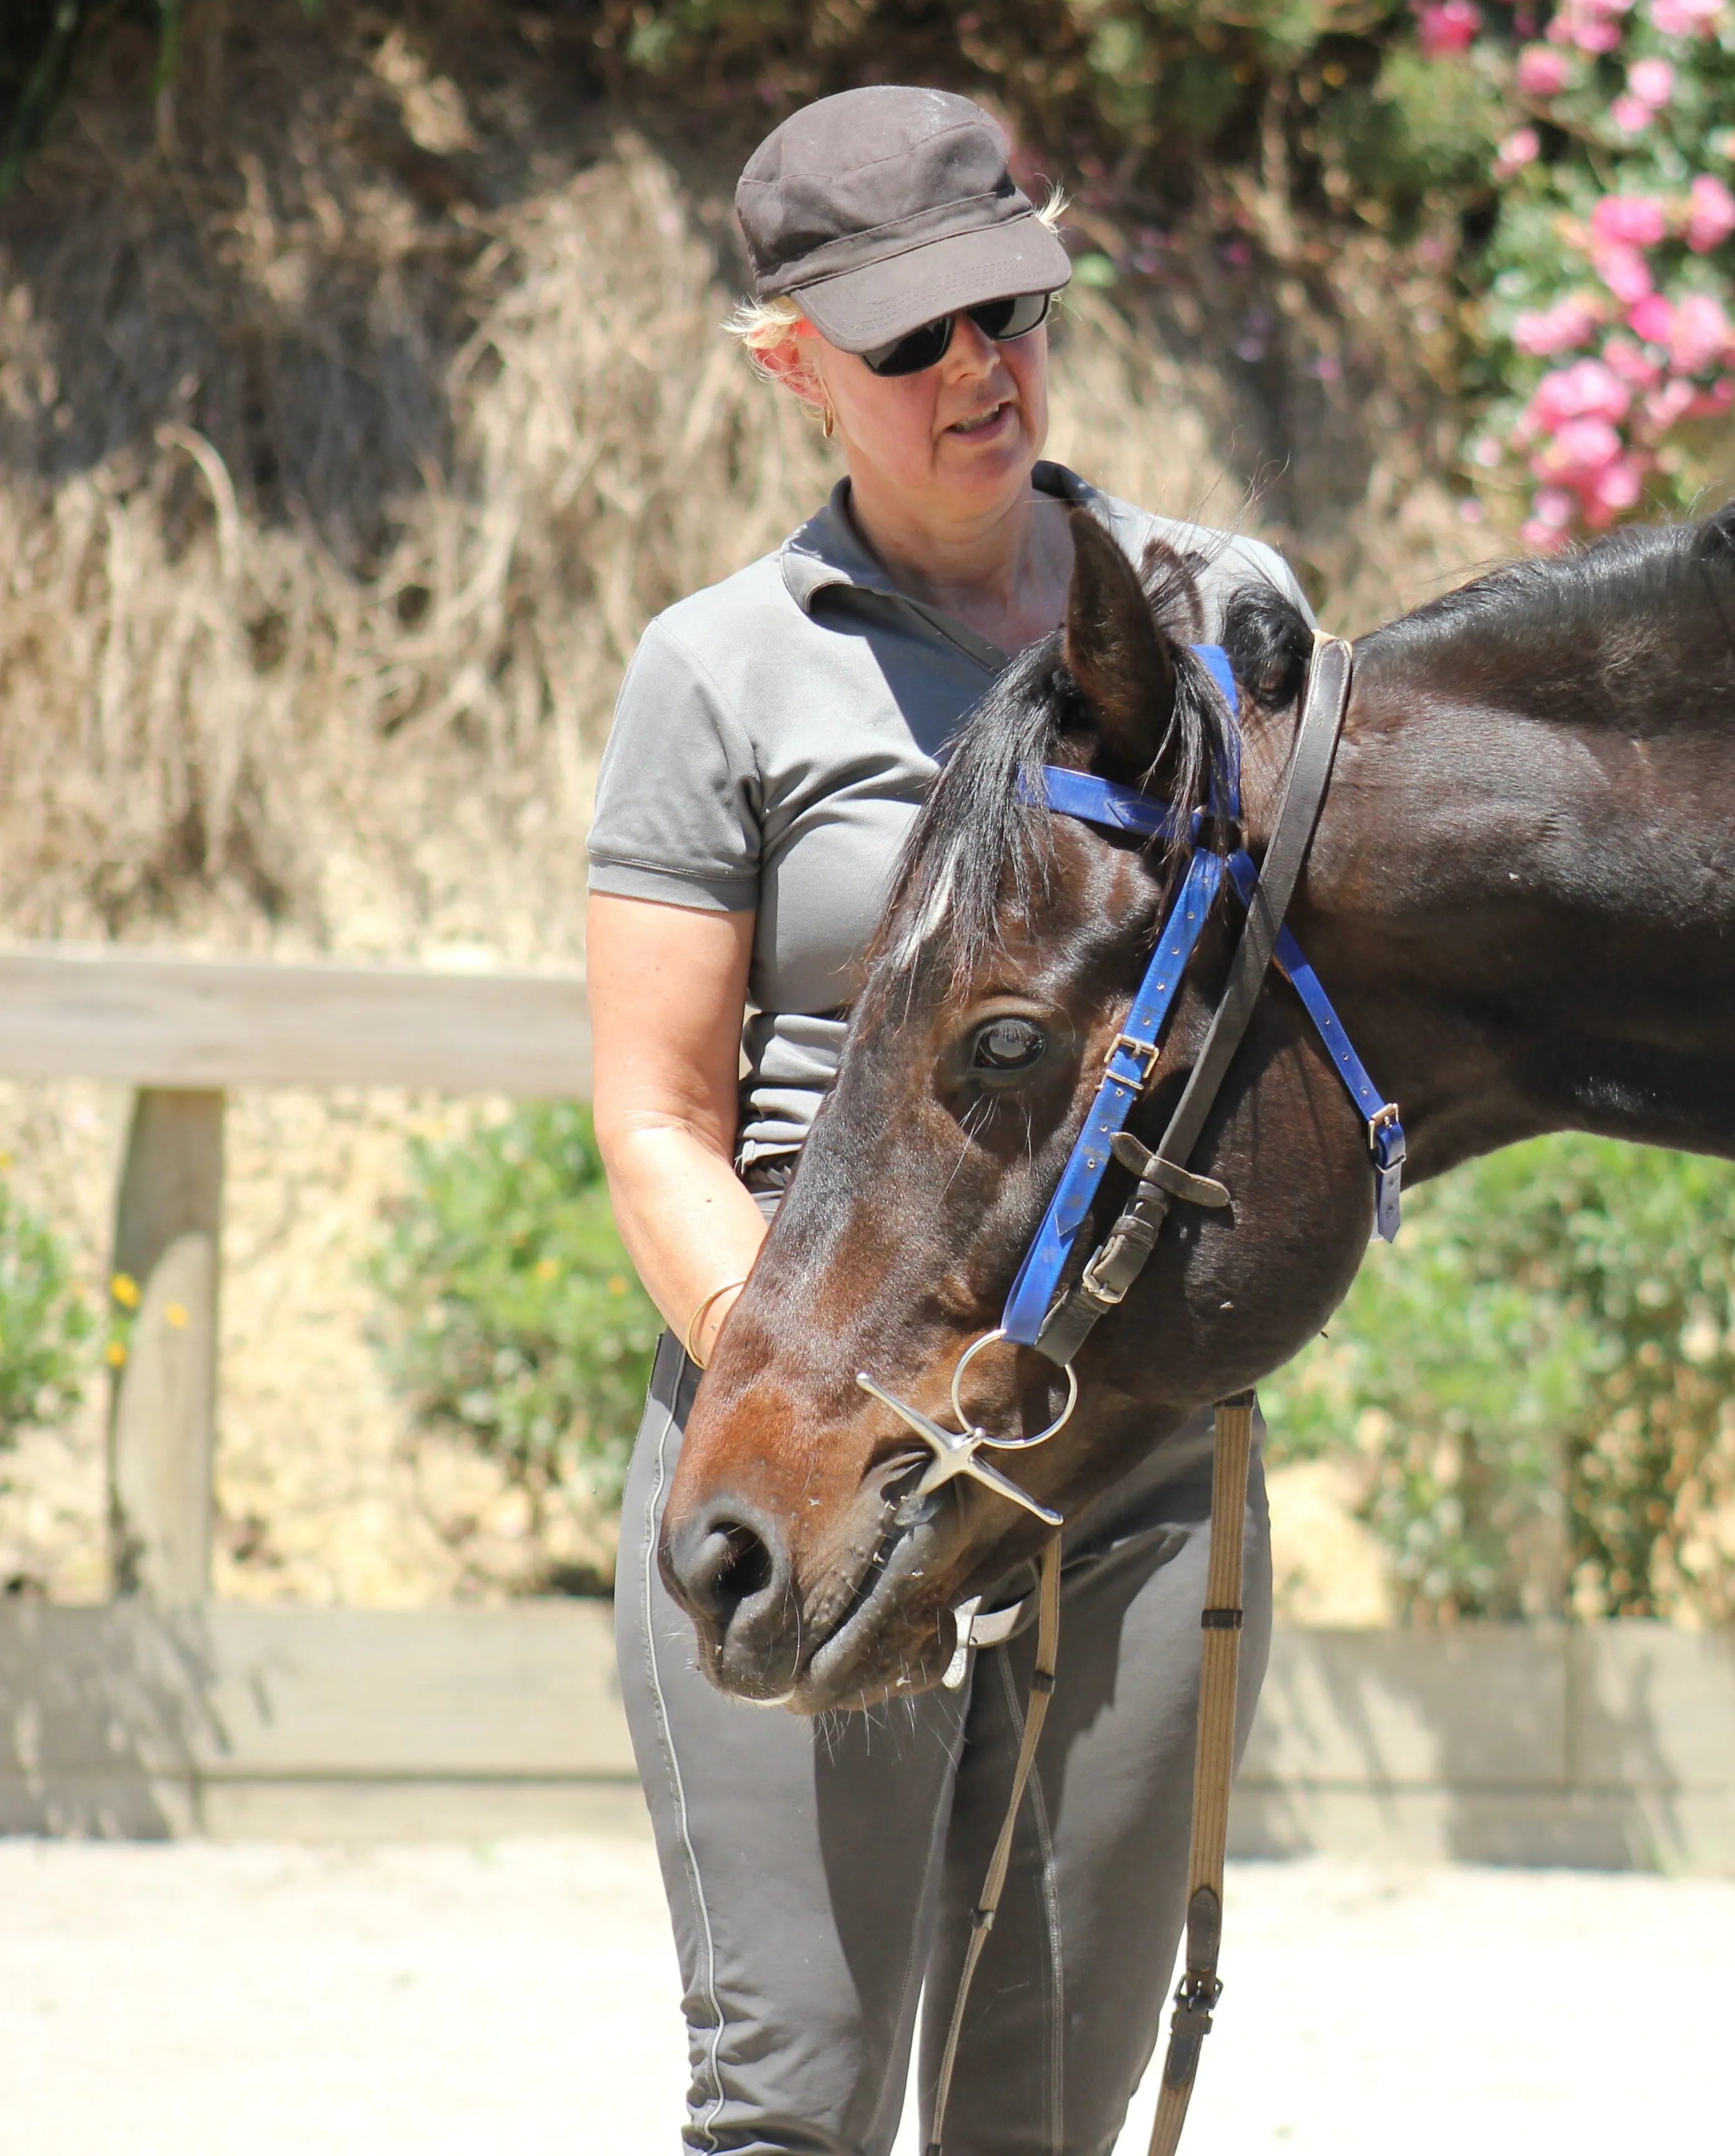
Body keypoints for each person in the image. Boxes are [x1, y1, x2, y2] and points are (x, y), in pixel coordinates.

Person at [584, 85, 1299, 2156]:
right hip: (809, 1426)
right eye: (913, 338)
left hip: (1129, 1457)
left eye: (1011, 308)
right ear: (793, 359)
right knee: (793, 2101)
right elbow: (655, 1119)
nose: (980, 368)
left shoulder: (1218, 615)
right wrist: (830, 1406)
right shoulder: (720, 674)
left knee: (1041, 2128)